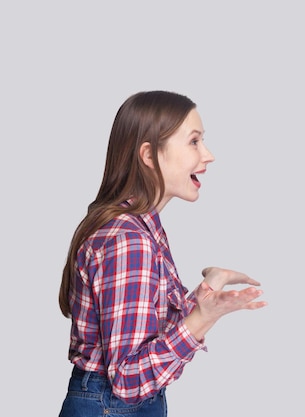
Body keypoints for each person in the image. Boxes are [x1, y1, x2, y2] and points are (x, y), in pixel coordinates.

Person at [58, 90, 267, 416]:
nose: (208, 155)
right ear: (149, 154)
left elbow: (146, 323)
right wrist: (203, 319)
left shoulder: (142, 225)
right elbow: (127, 378)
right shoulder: (128, 240)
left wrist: (203, 295)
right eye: (194, 141)